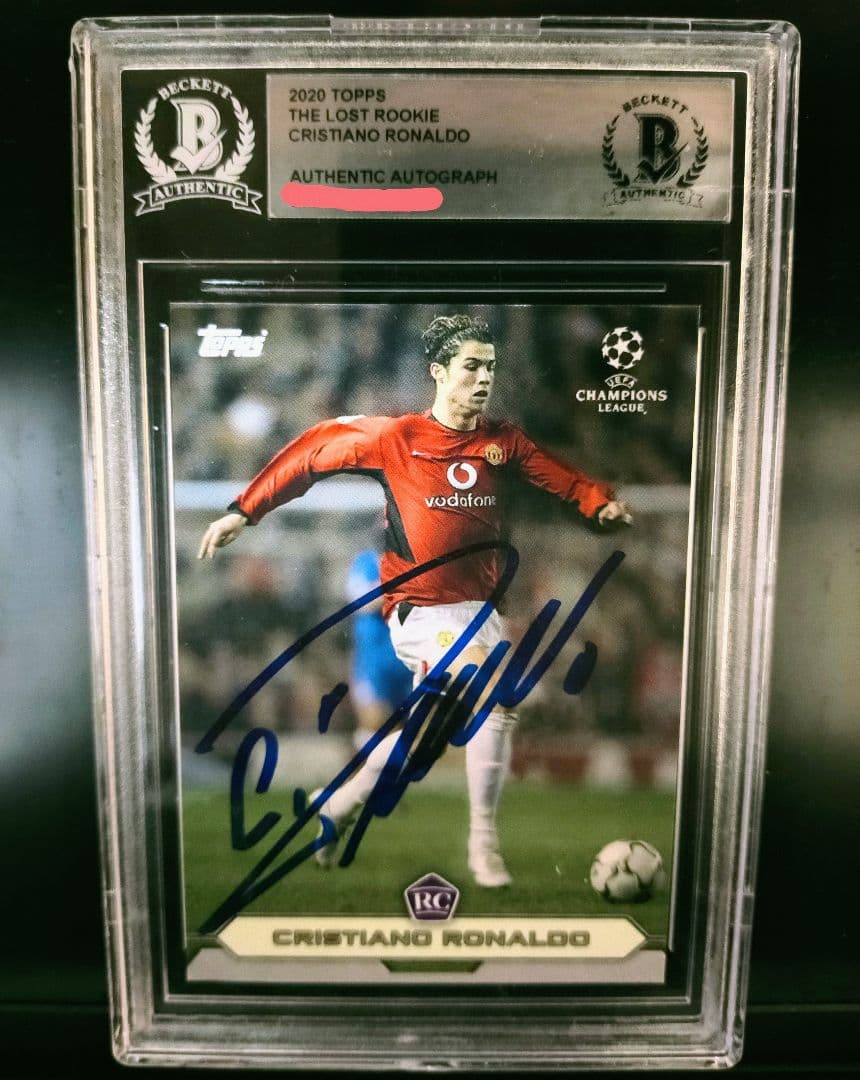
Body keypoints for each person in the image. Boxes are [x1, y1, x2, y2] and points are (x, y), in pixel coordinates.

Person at [198, 314, 631, 887]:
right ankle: (484, 846)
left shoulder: (503, 443)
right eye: (471, 366)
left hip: (482, 615)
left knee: (421, 743)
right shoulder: (396, 438)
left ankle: (335, 805)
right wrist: (245, 509)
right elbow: (315, 449)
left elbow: (563, 478)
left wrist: (599, 504)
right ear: (438, 372)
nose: (484, 379)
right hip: (420, 610)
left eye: (490, 368)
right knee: (493, 696)